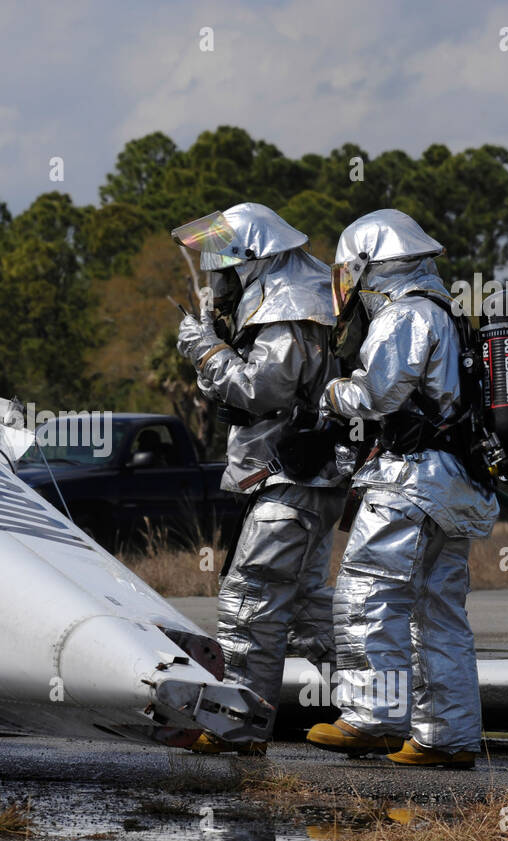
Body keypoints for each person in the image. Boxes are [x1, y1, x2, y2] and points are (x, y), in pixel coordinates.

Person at [305, 209, 498, 768]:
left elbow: (377, 396)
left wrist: (329, 392)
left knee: (367, 594)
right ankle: (448, 738)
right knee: (438, 613)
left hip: (408, 480)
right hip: (452, 485)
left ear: (371, 267)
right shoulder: (447, 312)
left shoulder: (406, 314)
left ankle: (372, 719)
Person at [173, 203, 348, 755]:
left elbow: (260, 389)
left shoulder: (288, 303)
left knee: (251, 599)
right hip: (303, 475)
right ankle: (394, 707)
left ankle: (237, 727)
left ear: (250, 256)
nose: (214, 273)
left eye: (221, 260)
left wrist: (203, 349)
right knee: (303, 608)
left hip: (291, 474)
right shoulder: (301, 291)